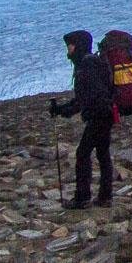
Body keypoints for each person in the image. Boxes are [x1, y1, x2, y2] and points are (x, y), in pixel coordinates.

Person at [49, 30, 114, 209]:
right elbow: (85, 98)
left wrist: (64, 110)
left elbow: (84, 98)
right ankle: (105, 196)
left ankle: (83, 197)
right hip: (106, 114)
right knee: (102, 154)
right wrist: (65, 110)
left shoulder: (85, 66)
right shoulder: (93, 62)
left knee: (83, 153)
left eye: (70, 46)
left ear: (77, 45)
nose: (68, 50)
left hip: (97, 116)